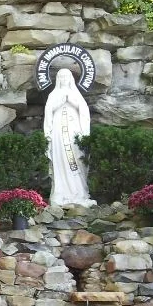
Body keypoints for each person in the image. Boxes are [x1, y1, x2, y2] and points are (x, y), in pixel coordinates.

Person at [43, 68, 96, 207]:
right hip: (58, 134)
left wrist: (73, 102)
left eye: (67, 76)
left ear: (71, 79)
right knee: (60, 160)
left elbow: (84, 113)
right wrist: (58, 104)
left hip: (74, 132)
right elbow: (48, 112)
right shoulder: (53, 95)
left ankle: (80, 192)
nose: (64, 79)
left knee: (77, 157)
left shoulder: (76, 94)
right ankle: (61, 193)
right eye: (61, 77)